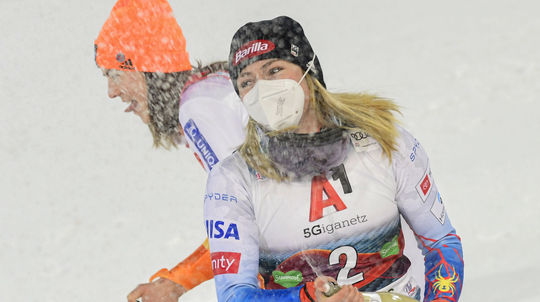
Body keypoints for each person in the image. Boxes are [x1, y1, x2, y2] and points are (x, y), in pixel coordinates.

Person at [203, 16, 464, 302]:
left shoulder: (383, 142)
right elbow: (234, 296)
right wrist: (305, 298)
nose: (261, 90)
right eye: (246, 82)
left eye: (274, 70)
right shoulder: (232, 178)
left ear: (308, 71)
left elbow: (440, 242)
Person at [94, 1, 248, 301]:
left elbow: (250, 219)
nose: (111, 92)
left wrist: (178, 282)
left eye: (113, 74)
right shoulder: (210, 93)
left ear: (147, 70)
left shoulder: (199, 107)